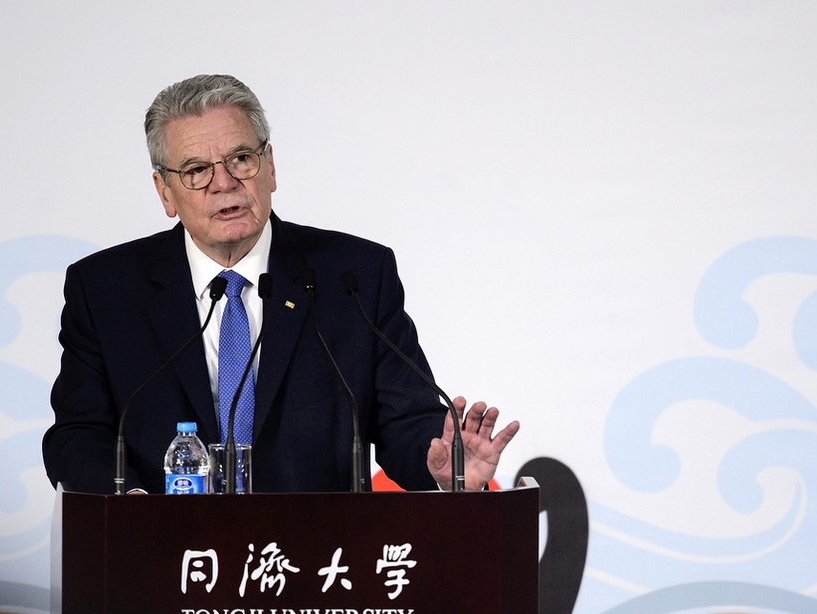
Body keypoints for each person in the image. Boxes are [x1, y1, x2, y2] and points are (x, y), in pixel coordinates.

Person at [41, 74, 518, 495]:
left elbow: (406, 420)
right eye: (195, 171)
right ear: (165, 192)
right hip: (160, 561)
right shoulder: (105, 290)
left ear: (270, 166)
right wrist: (125, 503)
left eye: (241, 159)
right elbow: (77, 434)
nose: (223, 183)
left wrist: (441, 466)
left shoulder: (354, 276)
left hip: (314, 570)